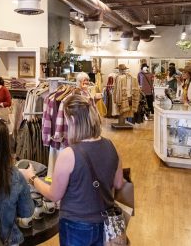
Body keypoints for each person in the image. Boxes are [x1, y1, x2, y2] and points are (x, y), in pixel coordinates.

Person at [20, 94, 123, 246]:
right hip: (105, 222)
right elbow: (119, 183)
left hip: (76, 224)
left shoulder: (69, 154)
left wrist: (31, 177)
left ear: (73, 120)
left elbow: (54, 195)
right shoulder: (111, 146)